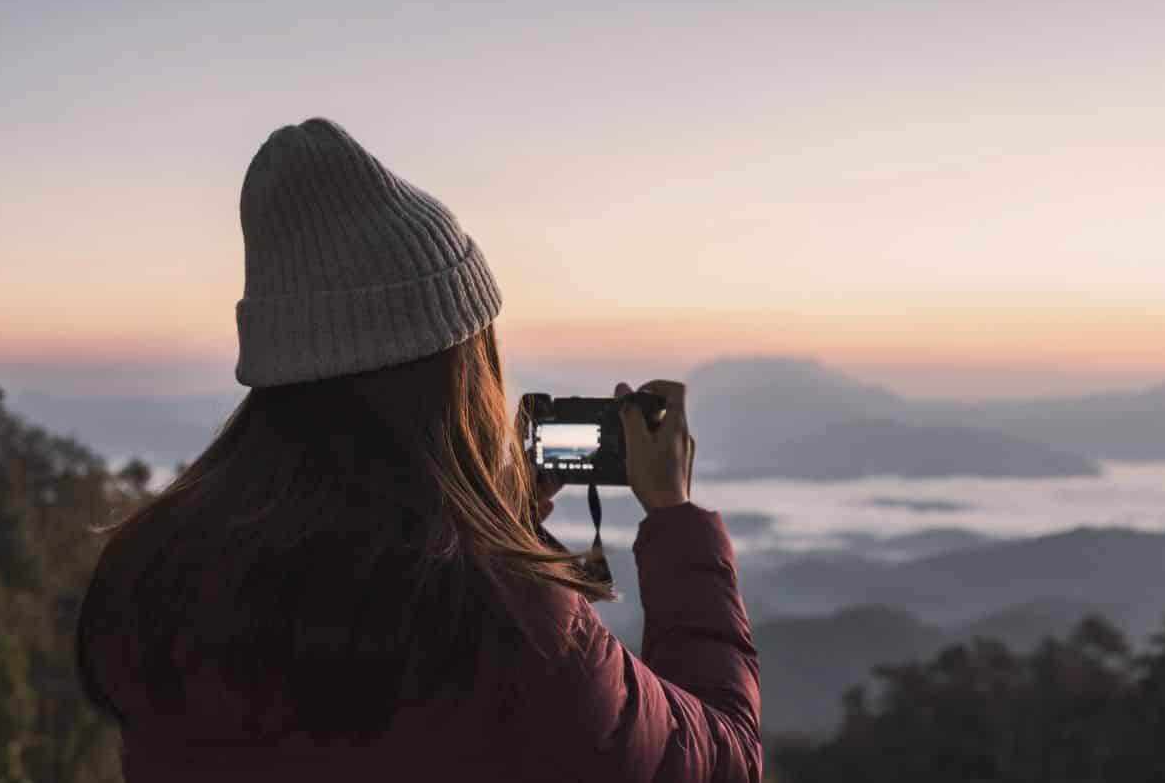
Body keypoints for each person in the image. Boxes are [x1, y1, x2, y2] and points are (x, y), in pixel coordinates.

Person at [76, 119, 761, 782]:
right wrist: (674, 521)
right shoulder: (505, 625)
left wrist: (496, 521)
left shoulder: (156, 575)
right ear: (462, 368)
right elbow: (725, 758)